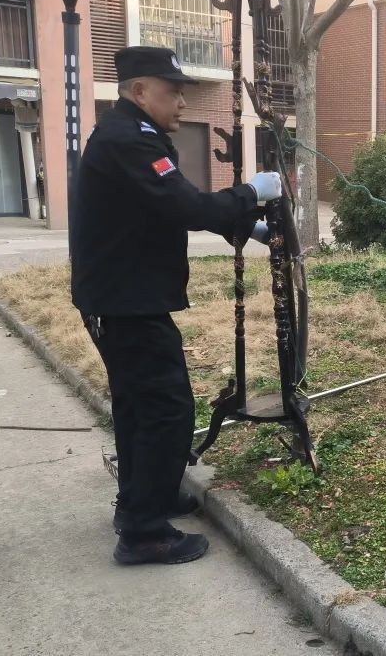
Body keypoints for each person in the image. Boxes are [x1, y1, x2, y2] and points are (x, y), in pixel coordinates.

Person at [71, 46, 279, 565]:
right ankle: (143, 533)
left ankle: (150, 499)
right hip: (126, 301)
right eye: (173, 92)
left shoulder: (130, 134)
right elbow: (183, 206)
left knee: (140, 407)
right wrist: (250, 193)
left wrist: (243, 225)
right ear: (140, 91)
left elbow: (164, 207)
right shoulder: (129, 140)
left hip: (123, 295)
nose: (182, 102)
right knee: (166, 408)